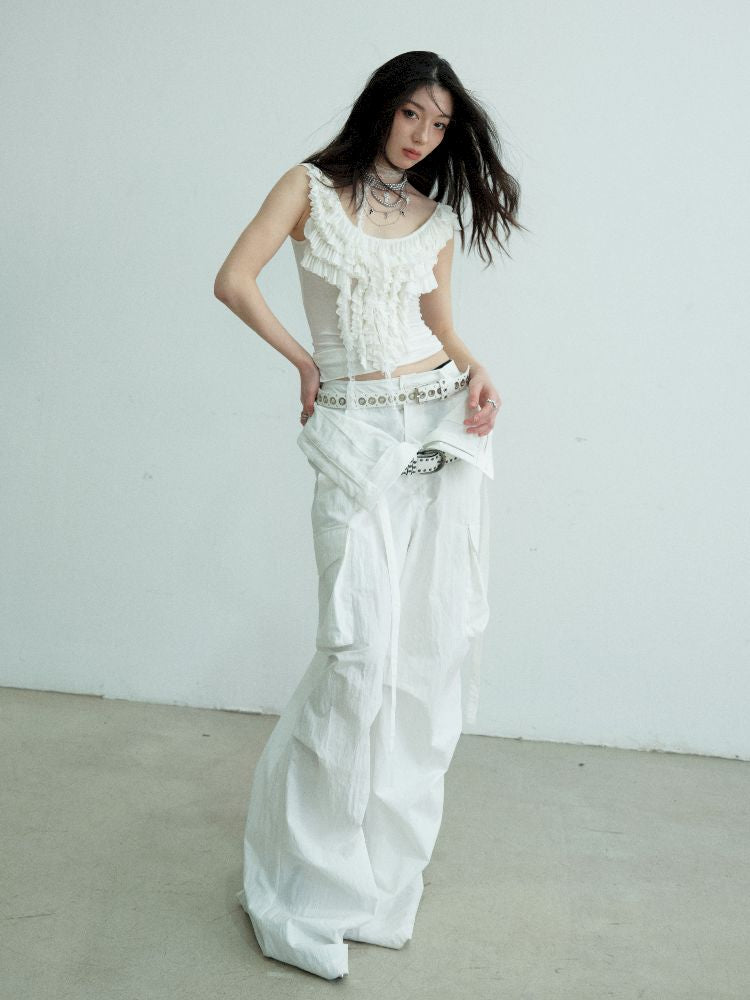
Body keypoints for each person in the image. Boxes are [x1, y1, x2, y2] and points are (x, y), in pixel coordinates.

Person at [213, 50, 524, 981]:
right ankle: (306, 886)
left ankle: (379, 879)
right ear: (383, 107)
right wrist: (303, 360)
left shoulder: (435, 218)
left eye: (441, 125)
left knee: (425, 656)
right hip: (354, 428)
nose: (425, 136)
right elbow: (234, 279)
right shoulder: (308, 187)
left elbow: (441, 325)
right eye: (413, 115)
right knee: (354, 658)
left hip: (440, 423)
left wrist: (478, 367)